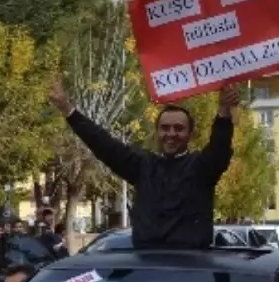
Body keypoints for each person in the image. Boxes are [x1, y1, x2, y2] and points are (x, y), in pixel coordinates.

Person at [50, 79, 240, 249]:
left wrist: (224, 112)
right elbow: (104, 144)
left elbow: (219, 148)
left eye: (179, 128)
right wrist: (69, 111)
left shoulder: (202, 167)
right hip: (145, 269)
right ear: (157, 133)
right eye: (165, 128)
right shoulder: (142, 166)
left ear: (190, 135)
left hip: (191, 271)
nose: (171, 134)